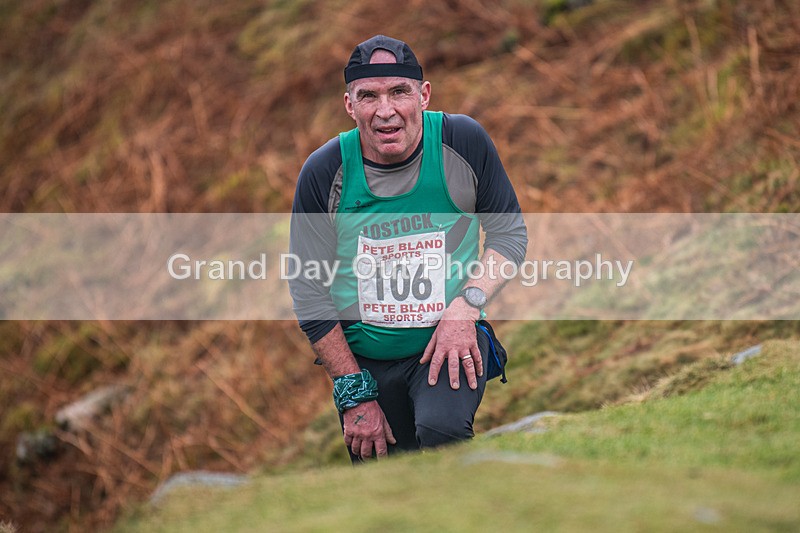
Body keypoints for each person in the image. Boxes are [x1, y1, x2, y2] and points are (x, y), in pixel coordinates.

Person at [289, 35, 527, 462]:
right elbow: (309, 291)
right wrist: (353, 394)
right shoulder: (325, 172)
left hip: (446, 343)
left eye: (399, 91)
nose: (386, 110)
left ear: (424, 94)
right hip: (365, 361)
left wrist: (466, 307)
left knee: (443, 431)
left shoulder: (463, 142)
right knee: (383, 475)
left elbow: (509, 235)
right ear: (349, 105)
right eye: (369, 96)